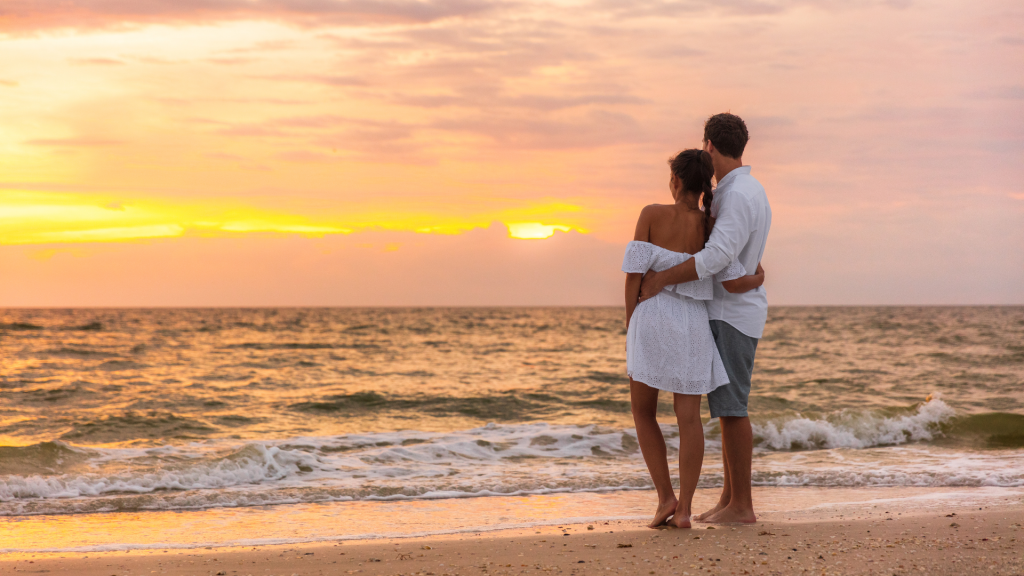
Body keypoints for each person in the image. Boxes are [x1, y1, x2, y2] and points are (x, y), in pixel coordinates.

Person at [638, 113, 772, 525]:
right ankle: (730, 498)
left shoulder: (736, 195)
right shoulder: (747, 189)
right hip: (733, 310)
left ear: (710, 146)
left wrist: (662, 279)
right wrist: (753, 277)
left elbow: (716, 257)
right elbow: (736, 256)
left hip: (730, 316)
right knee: (726, 408)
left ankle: (742, 505)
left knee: (732, 410)